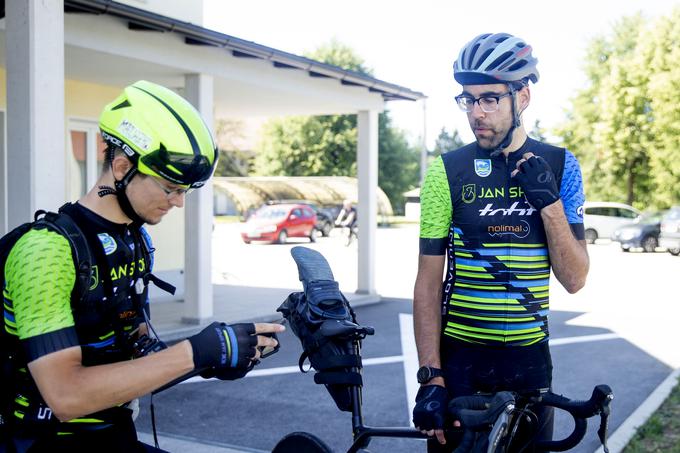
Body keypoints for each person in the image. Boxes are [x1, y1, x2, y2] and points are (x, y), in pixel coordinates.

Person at [2, 80, 284, 452]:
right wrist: (194, 353)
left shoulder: (135, 241)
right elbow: (65, 396)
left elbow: (141, 352)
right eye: (171, 188)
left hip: (114, 436)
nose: (178, 203)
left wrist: (215, 357)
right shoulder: (45, 251)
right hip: (44, 443)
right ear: (122, 167)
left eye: (186, 191)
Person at [412, 33, 589, 452]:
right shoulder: (446, 172)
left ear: (522, 96)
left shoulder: (562, 166)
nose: (477, 113)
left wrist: (549, 205)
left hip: (529, 364)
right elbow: (427, 283)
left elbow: (575, 278)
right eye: (468, 100)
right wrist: (430, 377)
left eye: (490, 98)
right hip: (461, 364)